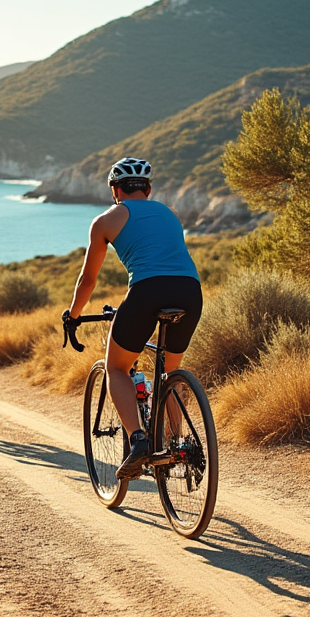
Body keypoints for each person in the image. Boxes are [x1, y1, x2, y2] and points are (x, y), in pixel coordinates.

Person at [65, 157, 202, 479]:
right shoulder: (170, 213)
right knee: (170, 371)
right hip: (189, 291)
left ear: (115, 189)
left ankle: (138, 440)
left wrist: (73, 315)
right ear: (149, 189)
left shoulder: (105, 221)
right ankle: (177, 443)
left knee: (117, 367)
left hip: (146, 291)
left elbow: (87, 280)